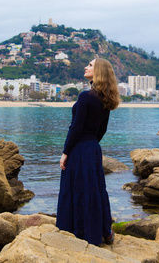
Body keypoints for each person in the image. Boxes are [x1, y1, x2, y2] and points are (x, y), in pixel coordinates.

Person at [56, 58, 120, 246]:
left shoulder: (85, 97)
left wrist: (66, 151)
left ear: (98, 71)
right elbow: (102, 129)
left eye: (90, 65)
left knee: (76, 188)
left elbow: (75, 127)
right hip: (93, 148)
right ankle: (104, 232)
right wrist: (91, 144)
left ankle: (75, 231)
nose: (86, 67)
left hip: (80, 148)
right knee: (95, 189)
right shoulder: (105, 98)